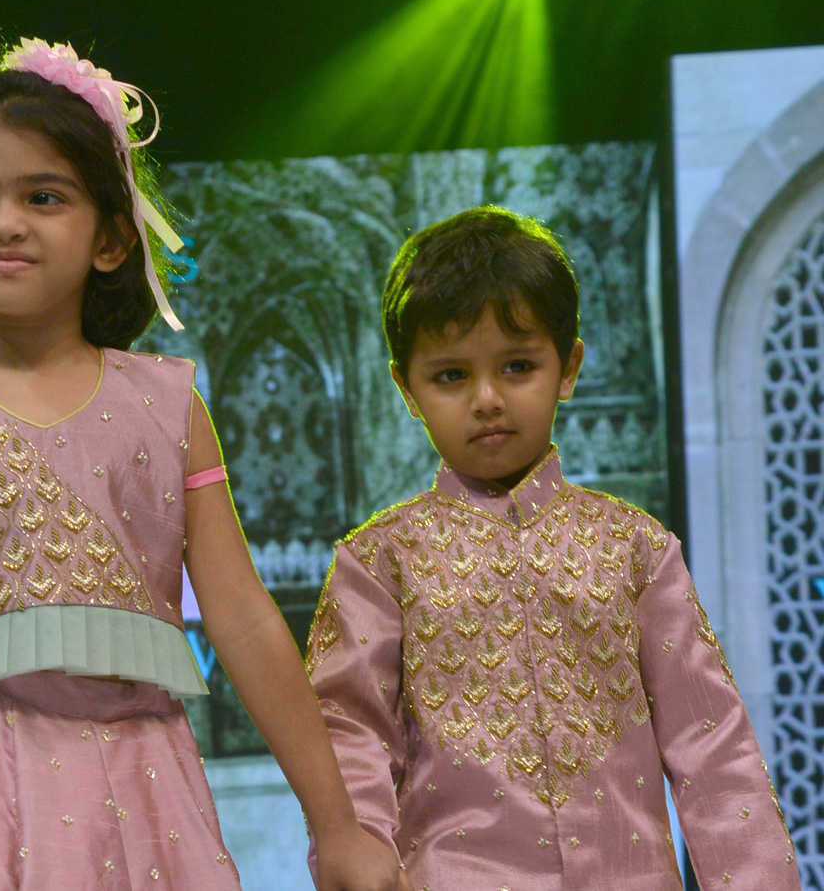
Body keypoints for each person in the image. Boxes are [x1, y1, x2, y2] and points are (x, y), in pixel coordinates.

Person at [0, 37, 405, 891]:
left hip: (142, 793)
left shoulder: (166, 407)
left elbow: (242, 620)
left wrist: (338, 826)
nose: (4, 222)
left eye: (44, 196)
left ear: (113, 237)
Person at [305, 206, 802, 891]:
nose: (486, 399)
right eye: (451, 376)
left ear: (567, 368)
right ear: (406, 388)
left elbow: (710, 742)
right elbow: (349, 739)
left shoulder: (635, 548)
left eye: (517, 366)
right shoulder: (380, 563)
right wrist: (362, 861)